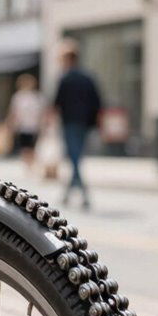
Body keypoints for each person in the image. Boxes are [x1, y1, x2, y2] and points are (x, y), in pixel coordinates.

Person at [53, 39, 102, 209]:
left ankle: (84, 194)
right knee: (76, 156)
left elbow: (56, 102)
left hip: (69, 123)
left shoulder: (65, 78)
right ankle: (68, 193)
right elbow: (97, 101)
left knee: (74, 158)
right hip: (84, 124)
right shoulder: (87, 77)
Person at [7, 74, 45, 173]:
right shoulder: (18, 97)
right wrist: (11, 123)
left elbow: (41, 112)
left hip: (34, 126)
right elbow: (14, 112)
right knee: (25, 147)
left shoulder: (37, 97)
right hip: (23, 126)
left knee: (33, 147)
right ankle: (28, 165)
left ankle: (31, 164)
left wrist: (42, 124)